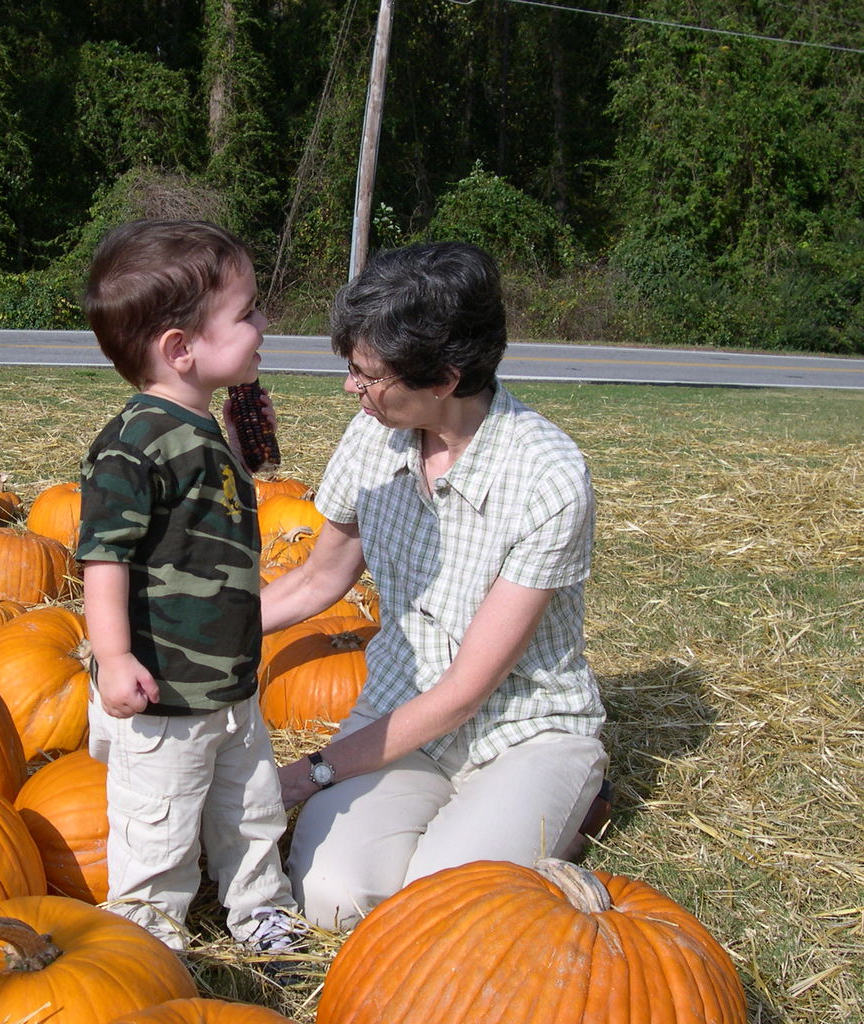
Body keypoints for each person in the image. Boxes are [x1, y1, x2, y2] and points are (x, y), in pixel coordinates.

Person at [261, 241, 608, 931]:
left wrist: (307, 774)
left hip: (521, 727)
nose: (349, 389)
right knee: (332, 896)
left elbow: (464, 692)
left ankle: (574, 801)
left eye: (366, 375)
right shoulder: (372, 435)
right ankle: (490, 828)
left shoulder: (549, 477)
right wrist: (194, 630)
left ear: (444, 379)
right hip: (400, 710)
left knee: (443, 909)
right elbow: (317, 580)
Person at [76, 218, 305, 959]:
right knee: (160, 823)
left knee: (251, 807)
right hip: (164, 688)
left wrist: (245, 447)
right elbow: (103, 557)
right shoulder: (132, 442)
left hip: (230, 679)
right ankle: (146, 940)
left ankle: (259, 908)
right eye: (246, 314)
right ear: (180, 348)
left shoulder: (198, 422)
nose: (263, 323)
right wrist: (112, 658)